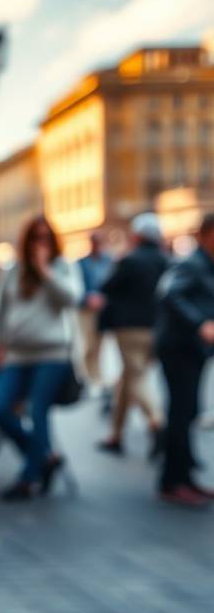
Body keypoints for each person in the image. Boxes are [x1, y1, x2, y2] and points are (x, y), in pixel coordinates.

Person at [0, 217, 82, 502]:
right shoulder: (13, 271)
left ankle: (28, 478)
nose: (41, 244)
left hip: (52, 353)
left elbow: (71, 299)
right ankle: (43, 455)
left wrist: (44, 270)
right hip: (17, 353)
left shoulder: (63, 267)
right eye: (35, 239)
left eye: (46, 239)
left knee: (37, 411)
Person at [97, 213, 169, 456]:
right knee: (127, 379)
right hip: (155, 327)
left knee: (135, 377)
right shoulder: (165, 260)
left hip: (129, 328)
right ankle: (115, 435)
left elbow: (107, 287)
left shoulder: (129, 260)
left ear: (138, 235)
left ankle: (157, 422)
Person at [155, 213, 214, 507]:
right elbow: (169, 294)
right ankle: (171, 481)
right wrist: (199, 324)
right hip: (179, 347)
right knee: (180, 413)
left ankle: (186, 477)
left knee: (189, 411)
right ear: (204, 234)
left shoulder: (206, 264)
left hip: (193, 350)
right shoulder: (190, 263)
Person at [76, 232, 113, 389]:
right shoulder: (81, 263)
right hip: (86, 310)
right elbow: (76, 287)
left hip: (103, 309)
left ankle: (97, 374)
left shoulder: (108, 260)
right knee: (89, 344)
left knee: (99, 344)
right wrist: (87, 298)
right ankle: (91, 377)